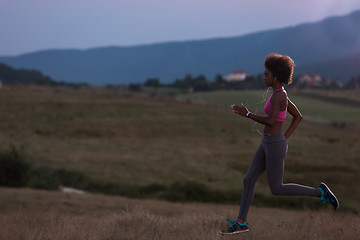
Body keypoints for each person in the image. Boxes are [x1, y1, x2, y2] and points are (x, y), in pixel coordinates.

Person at [220, 53, 339, 235]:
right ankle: (241, 223)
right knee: (248, 179)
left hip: (274, 144)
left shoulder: (279, 96)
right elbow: (298, 116)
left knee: (277, 188)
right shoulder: (279, 94)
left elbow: (270, 120)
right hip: (268, 142)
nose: (264, 77)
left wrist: (248, 114)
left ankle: (320, 192)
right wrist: (285, 137)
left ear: (276, 76)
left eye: (267, 74)